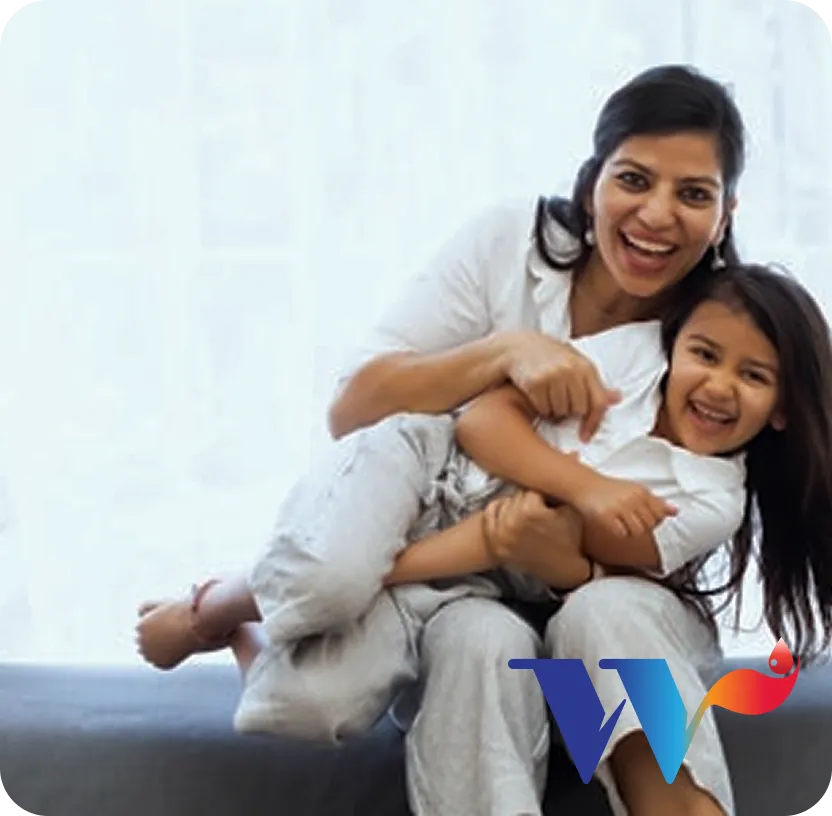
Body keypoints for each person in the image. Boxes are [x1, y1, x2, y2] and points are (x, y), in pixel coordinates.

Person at [137, 65, 832, 815]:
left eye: (693, 194)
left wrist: (535, 533)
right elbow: (366, 413)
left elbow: (574, 560)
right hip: (469, 588)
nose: (659, 215)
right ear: (594, 177)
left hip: (593, 639)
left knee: (602, 611)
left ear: (725, 214)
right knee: (437, 652)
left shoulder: (703, 329)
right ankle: (227, 607)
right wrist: (504, 354)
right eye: (635, 178)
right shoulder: (611, 325)